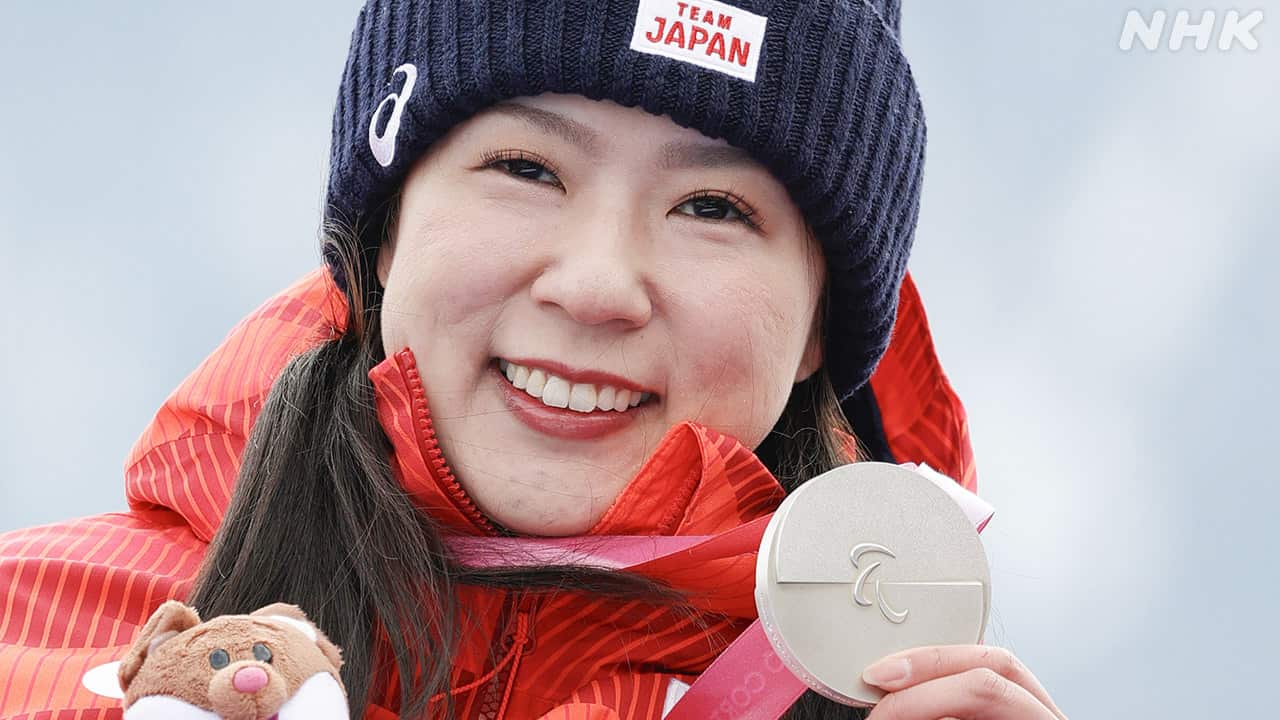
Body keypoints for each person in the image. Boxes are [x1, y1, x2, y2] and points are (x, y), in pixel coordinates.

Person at [0, 0, 1068, 718]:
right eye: (525, 167)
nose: (596, 284)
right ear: (385, 232)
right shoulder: (35, 639)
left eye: (711, 206)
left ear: (818, 327)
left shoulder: (898, 702)